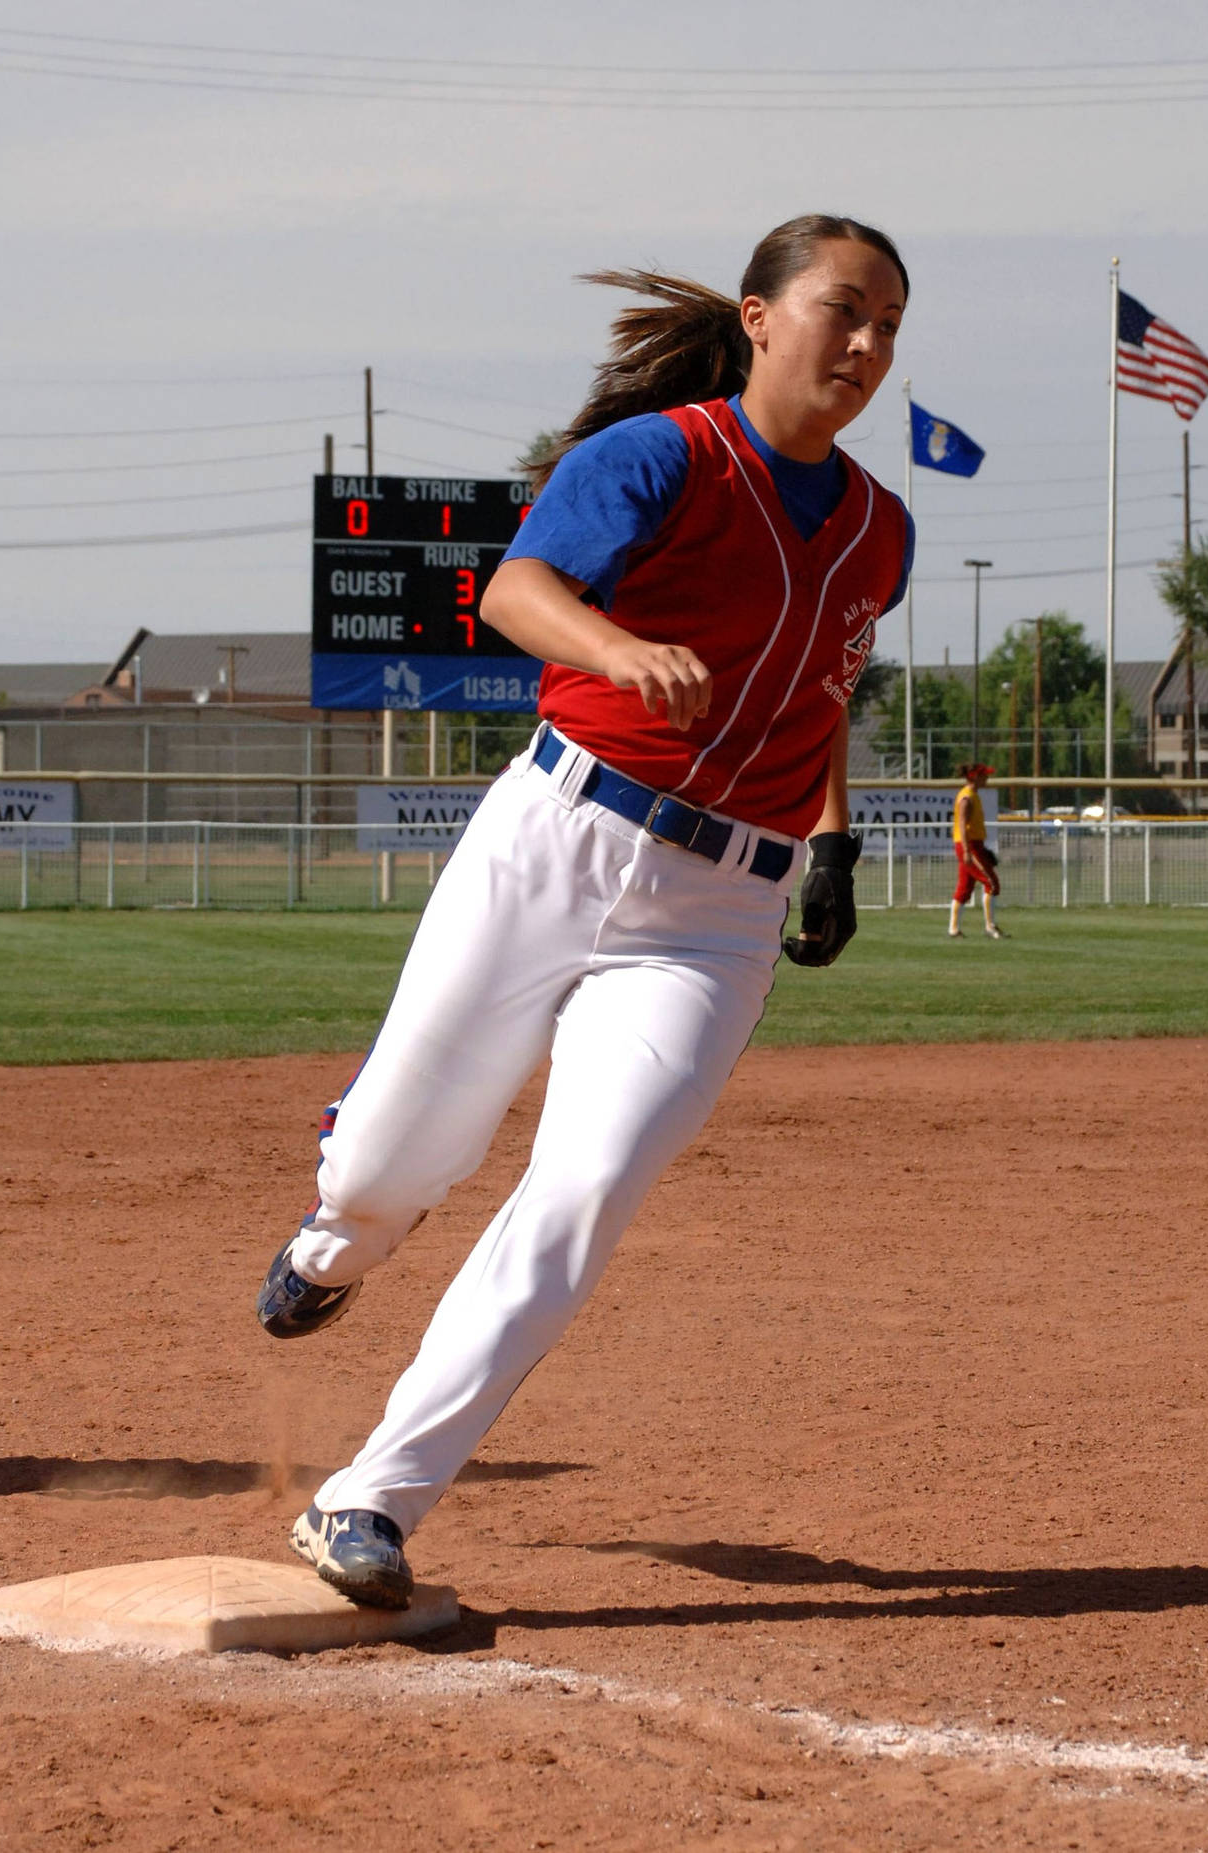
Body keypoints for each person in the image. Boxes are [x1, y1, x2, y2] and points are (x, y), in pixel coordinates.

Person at [253, 215, 915, 1609]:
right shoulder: (663, 455)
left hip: (717, 915)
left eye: (889, 325)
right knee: (387, 1163)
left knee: (586, 1191)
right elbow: (515, 591)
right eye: (844, 311)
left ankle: (369, 1496)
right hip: (560, 834)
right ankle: (337, 1243)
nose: (867, 346)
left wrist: (835, 840)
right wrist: (618, 646)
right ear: (759, 316)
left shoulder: (881, 529)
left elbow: (825, 687)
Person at [950, 761, 1003, 939]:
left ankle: (954, 929)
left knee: (965, 887)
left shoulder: (973, 794)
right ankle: (990, 926)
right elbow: (962, 826)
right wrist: (966, 850)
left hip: (974, 845)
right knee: (991, 883)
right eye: (984, 775)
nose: (987, 778)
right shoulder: (966, 797)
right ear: (975, 777)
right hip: (969, 845)